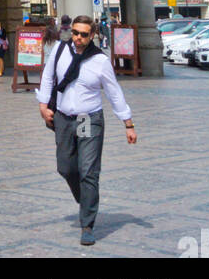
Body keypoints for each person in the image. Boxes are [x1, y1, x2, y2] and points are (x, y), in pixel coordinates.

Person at [37, 14, 137, 246]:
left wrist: (128, 124)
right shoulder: (60, 51)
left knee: (88, 171)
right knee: (66, 167)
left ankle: (87, 224)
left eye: (83, 34)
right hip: (63, 118)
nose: (78, 38)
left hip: (87, 119)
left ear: (92, 35)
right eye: (75, 33)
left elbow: (114, 93)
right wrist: (43, 106)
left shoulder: (99, 61)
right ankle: (86, 200)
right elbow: (48, 78)